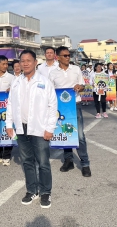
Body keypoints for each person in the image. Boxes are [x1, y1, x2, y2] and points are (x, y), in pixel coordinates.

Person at [6, 50, 57, 209]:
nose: (25, 63)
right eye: (23, 61)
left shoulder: (45, 82)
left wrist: (49, 128)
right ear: (19, 63)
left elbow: (52, 105)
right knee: (27, 161)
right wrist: (9, 124)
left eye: (29, 60)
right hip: (22, 128)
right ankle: (31, 190)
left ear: (35, 62)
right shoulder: (16, 82)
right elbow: (10, 105)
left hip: (40, 129)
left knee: (43, 162)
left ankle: (45, 191)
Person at [49, 46, 91, 177]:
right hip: (60, 108)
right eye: (65, 55)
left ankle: (85, 163)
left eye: (69, 55)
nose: (68, 57)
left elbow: (83, 85)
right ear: (58, 57)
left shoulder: (76, 69)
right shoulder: (53, 73)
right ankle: (69, 161)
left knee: (79, 136)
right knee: (65, 133)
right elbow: (50, 92)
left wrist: (81, 87)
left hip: (75, 105)